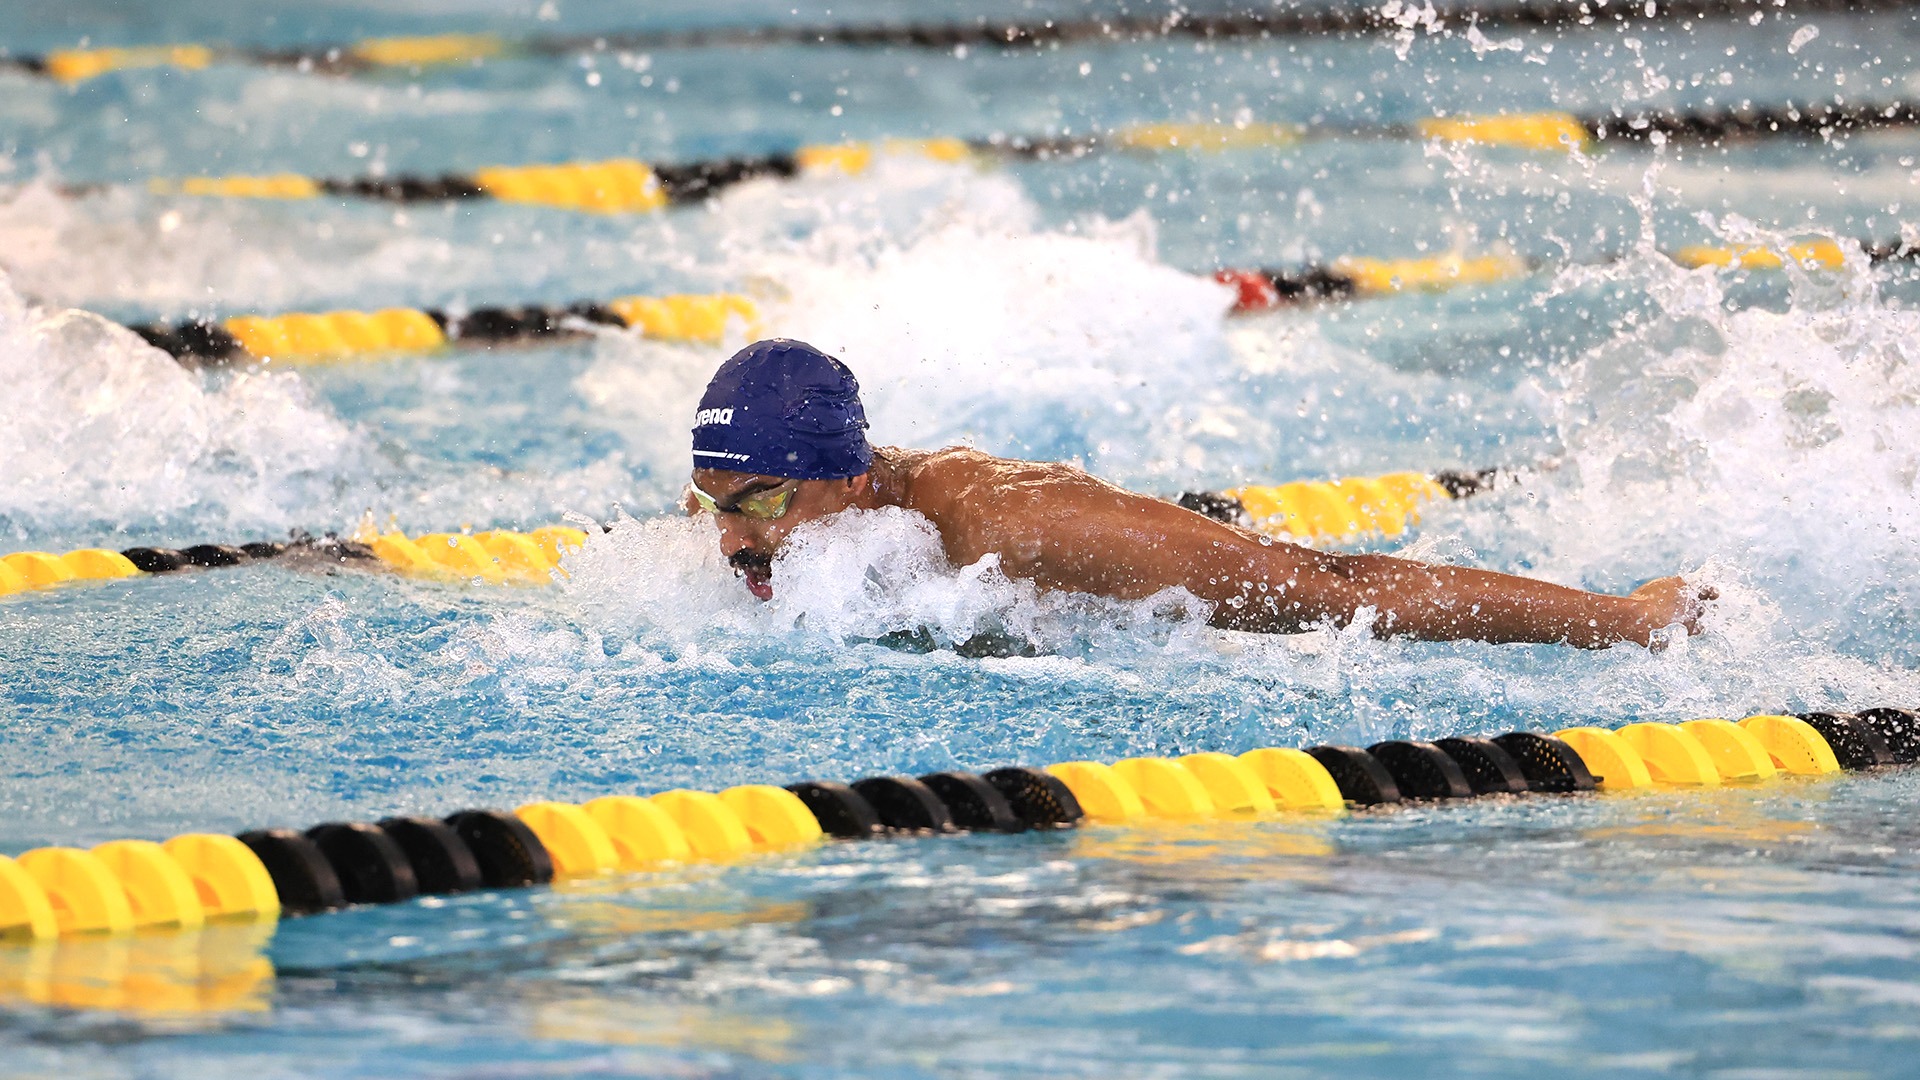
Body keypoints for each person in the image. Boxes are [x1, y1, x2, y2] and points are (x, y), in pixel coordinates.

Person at [687, 338, 1711, 648]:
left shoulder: (1007, 525)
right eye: (713, 501)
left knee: (1312, 593)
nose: (732, 539)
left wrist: (1622, 621)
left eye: (760, 503)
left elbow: (1332, 586)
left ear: (852, 479)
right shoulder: (765, 510)